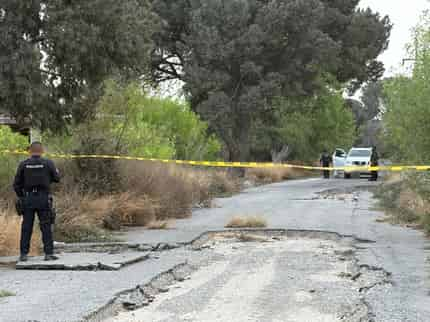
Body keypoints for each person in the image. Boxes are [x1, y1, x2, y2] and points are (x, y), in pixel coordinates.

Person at [13, 142, 60, 262]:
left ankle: (23, 254)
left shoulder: (23, 164)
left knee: (26, 227)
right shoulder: (48, 163)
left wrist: (22, 196)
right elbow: (57, 178)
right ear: (42, 151)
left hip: (28, 198)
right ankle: (48, 254)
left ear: (30, 151)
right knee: (46, 225)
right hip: (43, 198)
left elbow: (16, 184)